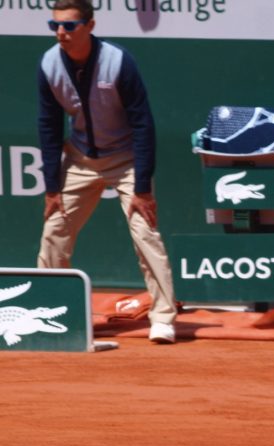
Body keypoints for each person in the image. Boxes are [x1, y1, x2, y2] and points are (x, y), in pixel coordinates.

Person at [37, 0, 177, 343]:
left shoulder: (118, 62)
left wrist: (142, 188)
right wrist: (52, 188)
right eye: (54, 25)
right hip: (80, 158)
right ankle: (48, 310)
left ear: (90, 26)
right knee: (55, 231)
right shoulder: (49, 64)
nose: (60, 32)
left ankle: (163, 317)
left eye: (69, 26)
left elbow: (143, 124)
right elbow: (49, 126)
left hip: (125, 158)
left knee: (145, 232)